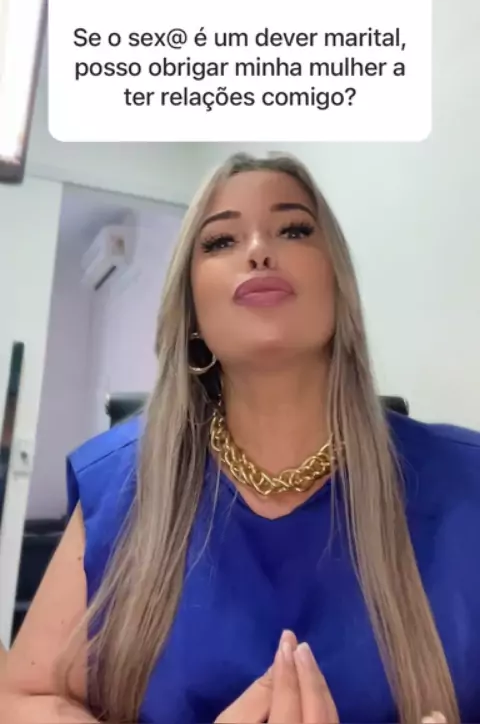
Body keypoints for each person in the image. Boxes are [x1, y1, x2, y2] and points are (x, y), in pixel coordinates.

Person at [0, 153, 479, 724]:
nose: (258, 250)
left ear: (338, 285)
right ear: (191, 310)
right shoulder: (119, 483)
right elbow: (21, 699)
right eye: (221, 241)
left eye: (293, 229)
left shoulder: (467, 480)